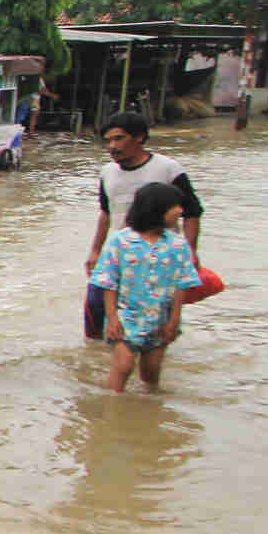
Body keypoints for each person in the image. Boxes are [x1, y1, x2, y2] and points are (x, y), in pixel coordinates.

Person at [82, 111, 202, 340]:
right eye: (108, 141)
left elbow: (192, 213)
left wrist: (190, 252)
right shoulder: (107, 173)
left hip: (158, 256)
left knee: (153, 317)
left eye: (119, 138)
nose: (112, 146)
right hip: (120, 250)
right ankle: (96, 360)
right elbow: (107, 213)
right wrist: (96, 250)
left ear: (139, 137)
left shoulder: (168, 168)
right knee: (95, 306)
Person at [89, 181, 203, 392]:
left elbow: (182, 284)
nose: (181, 210)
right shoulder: (120, 241)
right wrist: (112, 317)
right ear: (157, 209)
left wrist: (174, 320)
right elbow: (108, 282)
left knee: (151, 372)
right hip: (126, 317)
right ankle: (112, 411)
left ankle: (149, 414)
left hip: (161, 318)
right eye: (175, 205)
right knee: (123, 366)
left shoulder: (177, 245)